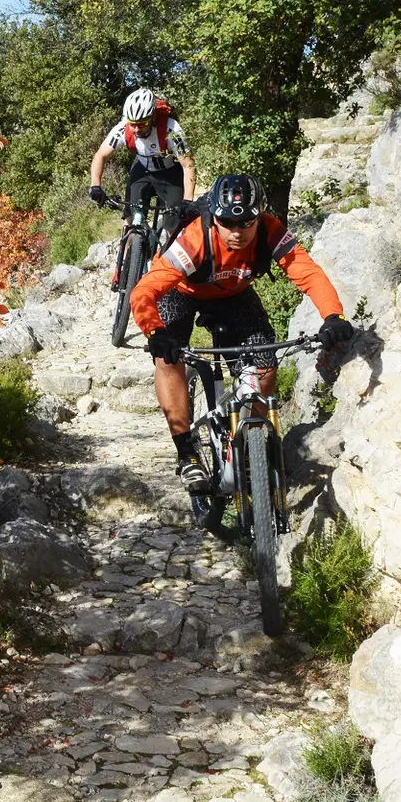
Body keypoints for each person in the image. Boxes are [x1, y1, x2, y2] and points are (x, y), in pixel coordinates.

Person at [128, 174, 357, 531]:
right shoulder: (194, 239)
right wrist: (155, 332)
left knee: (265, 368)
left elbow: (307, 272)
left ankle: (252, 446)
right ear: (214, 218)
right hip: (181, 292)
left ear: (258, 217)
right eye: (227, 223)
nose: (237, 231)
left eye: (246, 222)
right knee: (168, 358)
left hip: (234, 295)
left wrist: (333, 316)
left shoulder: (269, 231)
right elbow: (145, 292)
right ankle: (186, 451)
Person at [88, 88, 198, 276]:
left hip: (170, 172)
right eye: (133, 124)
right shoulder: (123, 128)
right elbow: (101, 155)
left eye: (142, 124)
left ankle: (174, 274)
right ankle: (127, 265)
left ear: (153, 118)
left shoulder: (171, 129)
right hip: (142, 169)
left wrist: (187, 201)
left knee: (175, 225)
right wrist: (95, 185)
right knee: (131, 219)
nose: (136, 129)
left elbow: (188, 165)